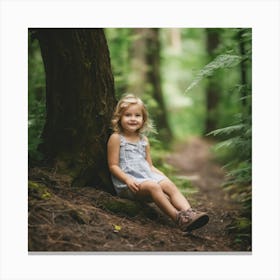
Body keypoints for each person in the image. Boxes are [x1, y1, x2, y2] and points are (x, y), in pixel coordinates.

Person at [107, 93, 209, 232]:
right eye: (128, 115)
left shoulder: (143, 140)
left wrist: (163, 178)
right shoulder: (117, 138)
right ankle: (179, 218)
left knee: (168, 184)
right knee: (154, 186)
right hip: (129, 184)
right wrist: (127, 179)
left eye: (137, 115)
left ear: (143, 119)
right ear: (120, 118)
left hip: (146, 177)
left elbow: (149, 166)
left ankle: (189, 213)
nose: (133, 119)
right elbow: (113, 165)